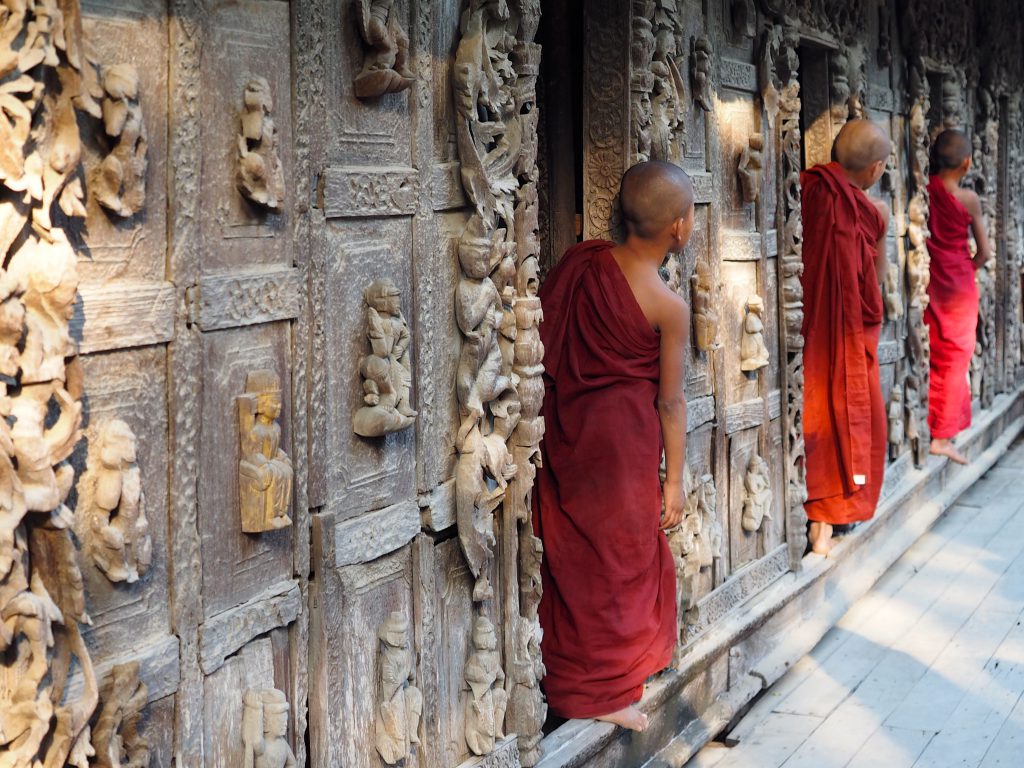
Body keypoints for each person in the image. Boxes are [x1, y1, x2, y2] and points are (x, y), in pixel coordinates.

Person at [533, 160, 693, 732]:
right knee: (620, 564)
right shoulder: (669, 305)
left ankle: (584, 682)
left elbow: (541, 341)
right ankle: (598, 693)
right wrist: (673, 480)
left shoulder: (584, 263)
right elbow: (671, 402)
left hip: (572, 434)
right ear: (679, 227)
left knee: (582, 559)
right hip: (624, 454)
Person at [801, 120, 892, 556]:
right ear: (875, 169)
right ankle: (829, 516)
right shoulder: (874, 214)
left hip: (807, 330)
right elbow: (875, 287)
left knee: (819, 410)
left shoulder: (807, 188)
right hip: (845, 332)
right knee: (849, 413)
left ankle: (821, 516)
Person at [925, 129, 992, 464]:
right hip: (959, 283)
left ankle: (934, 427)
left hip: (931, 278)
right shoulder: (969, 199)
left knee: (936, 348)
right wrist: (966, 265)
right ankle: (940, 435)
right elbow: (985, 251)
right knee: (955, 355)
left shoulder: (927, 191)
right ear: (967, 163)